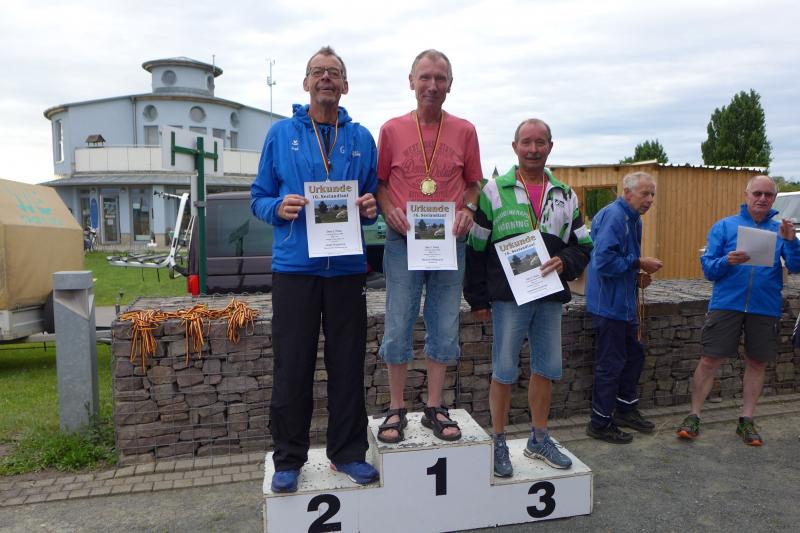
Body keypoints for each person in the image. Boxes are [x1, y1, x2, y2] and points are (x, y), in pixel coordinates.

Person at [250, 46, 379, 493]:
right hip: (295, 268)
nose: (326, 78)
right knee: (292, 366)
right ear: (306, 83)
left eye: (334, 72)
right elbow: (258, 196)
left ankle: (348, 453)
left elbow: (371, 202)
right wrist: (276, 207)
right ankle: (288, 458)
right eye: (318, 71)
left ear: (345, 85)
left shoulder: (361, 138)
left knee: (348, 365)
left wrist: (370, 208)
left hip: (346, 270)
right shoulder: (280, 134)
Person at [464, 119, 593, 476]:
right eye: (526, 142)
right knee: (504, 370)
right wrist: (477, 300)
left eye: (540, 142)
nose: (533, 149)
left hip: (549, 295)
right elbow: (476, 248)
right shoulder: (493, 191)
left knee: (546, 369)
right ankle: (498, 441)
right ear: (514, 146)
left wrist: (565, 261)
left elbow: (584, 246)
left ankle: (539, 438)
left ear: (550, 146)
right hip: (508, 299)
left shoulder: (565, 194)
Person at [375, 49, 482, 443]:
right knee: (398, 322)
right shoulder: (391, 130)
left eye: (440, 78)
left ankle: (435, 406)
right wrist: (388, 209)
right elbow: (379, 183)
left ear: (450, 84)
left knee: (444, 323)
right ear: (411, 81)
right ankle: (396, 407)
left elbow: (474, 184)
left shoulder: (465, 131)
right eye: (425, 77)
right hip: (404, 239)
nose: (432, 85)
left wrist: (469, 209)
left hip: (448, 240)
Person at [677, 175, 800, 445]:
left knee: (757, 362)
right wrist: (727, 261)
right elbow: (709, 269)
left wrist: (791, 241)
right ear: (746, 195)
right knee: (709, 360)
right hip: (726, 304)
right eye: (757, 193)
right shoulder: (724, 226)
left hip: (765, 306)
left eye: (768, 195)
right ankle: (693, 415)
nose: (762, 199)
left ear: (773, 198)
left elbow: (796, 266)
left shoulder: (780, 230)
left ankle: (746, 420)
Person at [585, 171, 663, 444]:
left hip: (624, 304)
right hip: (609, 305)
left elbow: (618, 261)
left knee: (634, 356)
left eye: (652, 194)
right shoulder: (615, 216)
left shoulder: (632, 217)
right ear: (627, 193)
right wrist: (638, 263)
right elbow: (603, 262)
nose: (650, 199)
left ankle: (625, 410)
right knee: (611, 364)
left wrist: (635, 275)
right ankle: (599, 423)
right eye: (645, 194)